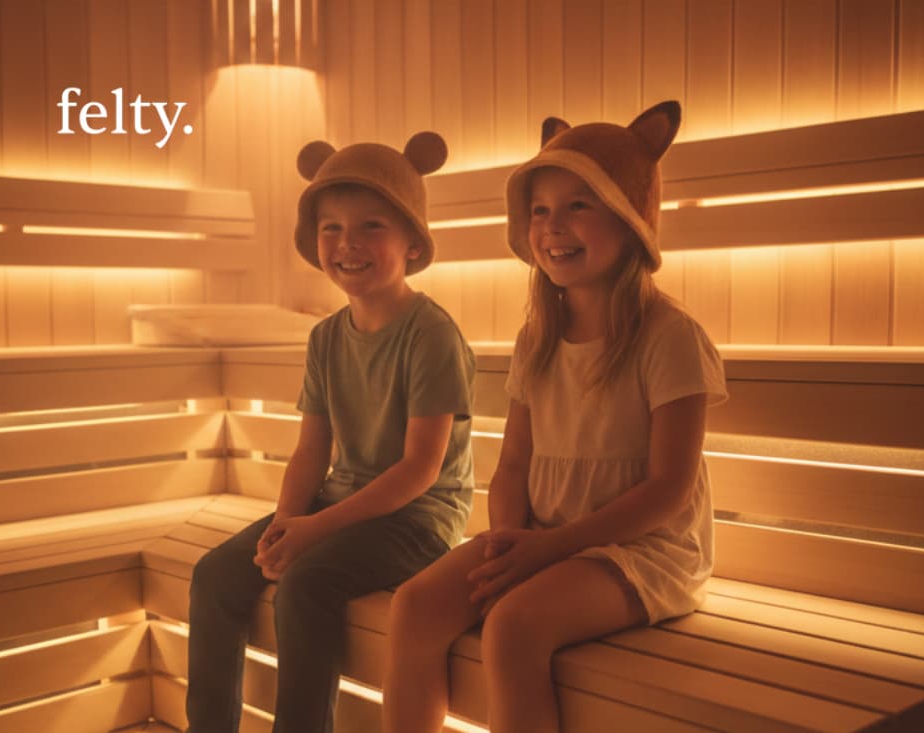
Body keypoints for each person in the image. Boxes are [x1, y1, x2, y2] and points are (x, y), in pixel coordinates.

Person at [382, 100, 728, 733]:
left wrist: (543, 553)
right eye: (539, 210)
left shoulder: (668, 336)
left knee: (513, 626)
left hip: (642, 550)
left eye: (578, 205)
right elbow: (514, 464)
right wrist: (507, 543)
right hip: (543, 535)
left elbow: (668, 490)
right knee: (414, 605)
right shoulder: (537, 337)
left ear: (629, 219)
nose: (553, 226)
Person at [186, 132, 475, 733]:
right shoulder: (325, 337)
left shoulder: (431, 335)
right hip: (339, 507)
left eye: (371, 226)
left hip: (420, 521)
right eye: (332, 228)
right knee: (215, 574)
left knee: (306, 584)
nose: (348, 243)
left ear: (413, 242)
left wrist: (313, 531)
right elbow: (311, 451)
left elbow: (421, 470)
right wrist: (286, 524)